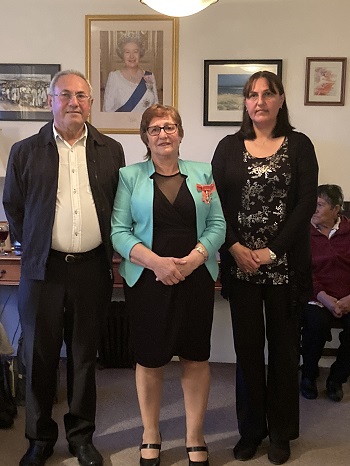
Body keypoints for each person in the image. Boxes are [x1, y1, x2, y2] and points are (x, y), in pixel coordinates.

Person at [3, 69, 125, 466]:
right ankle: (39, 438)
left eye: (82, 96)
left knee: (84, 356)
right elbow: (14, 207)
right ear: (50, 100)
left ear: (90, 102)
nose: (75, 102)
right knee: (38, 355)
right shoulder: (24, 151)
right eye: (66, 95)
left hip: (93, 269)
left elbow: (115, 205)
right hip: (44, 272)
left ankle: (81, 436)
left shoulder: (111, 149)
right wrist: (36, 244)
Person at [211, 71, 318, 465]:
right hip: (241, 269)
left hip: (285, 269)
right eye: (252, 95)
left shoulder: (300, 146)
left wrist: (271, 251)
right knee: (249, 352)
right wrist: (236, 247)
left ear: (280, 99)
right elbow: (215, 205)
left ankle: (282, 432)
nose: (259, 101)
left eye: (267, 94)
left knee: (285, 352)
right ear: (245, 102)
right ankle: (251, 430)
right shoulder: (227, 147)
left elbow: (306, 204)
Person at [110, 104, 226, 466]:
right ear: (145, 136)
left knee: (195, 356)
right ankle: (150, 433)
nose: (163, 134)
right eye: (155, 128)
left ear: (180, 132)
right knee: (150, 359)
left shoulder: (203, 172)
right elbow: (118, 232)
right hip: (148, 280)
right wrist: (157, 263)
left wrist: (194, 259)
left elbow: (218, 223)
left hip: (194, 278)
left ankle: (194, 435)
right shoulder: (129, 176)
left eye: (170, 127)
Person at [300, 184, 350, 402]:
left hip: (348, 298)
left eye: (320, 205)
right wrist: (323, 297)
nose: (314, 209)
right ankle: (309, 376)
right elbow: (301, 272)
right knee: (316, 325)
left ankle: (336, 379)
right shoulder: (303, 233)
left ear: (336, 209)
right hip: (317, 297)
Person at [103, 32, 158, 113]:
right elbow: (107, 110)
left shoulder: (149, 76)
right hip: (121, 124)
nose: (131, 56)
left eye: (135, 52)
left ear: (140, 53)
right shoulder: (114, 77)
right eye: (127, 52)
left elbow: (156, 105)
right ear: (122, 55)